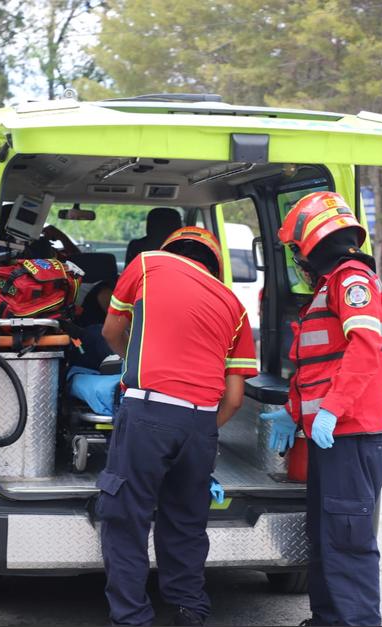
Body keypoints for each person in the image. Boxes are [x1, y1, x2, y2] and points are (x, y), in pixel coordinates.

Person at [97, 226, 258, 626]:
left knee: (126, 518)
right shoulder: (234, 304)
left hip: (148, 412)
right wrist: (202, 427)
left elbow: (110, 331)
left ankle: (133, 617)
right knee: (186, 522)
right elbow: (235, 398)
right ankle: (190, 611)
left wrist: (130, 359)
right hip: (200, 422)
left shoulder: (148, 263)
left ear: (171, 248)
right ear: (214, 265)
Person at [261, 191, 382, 627]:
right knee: (326, 537)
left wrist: (333, 410)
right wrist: (294, 411)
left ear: (312, 242)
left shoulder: (352, 279)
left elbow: (365, 348)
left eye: (296, 249)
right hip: (335, 435)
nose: (297, 258)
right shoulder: (328, 286)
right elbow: (316, 364)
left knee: (348, 541)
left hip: (353, 433)